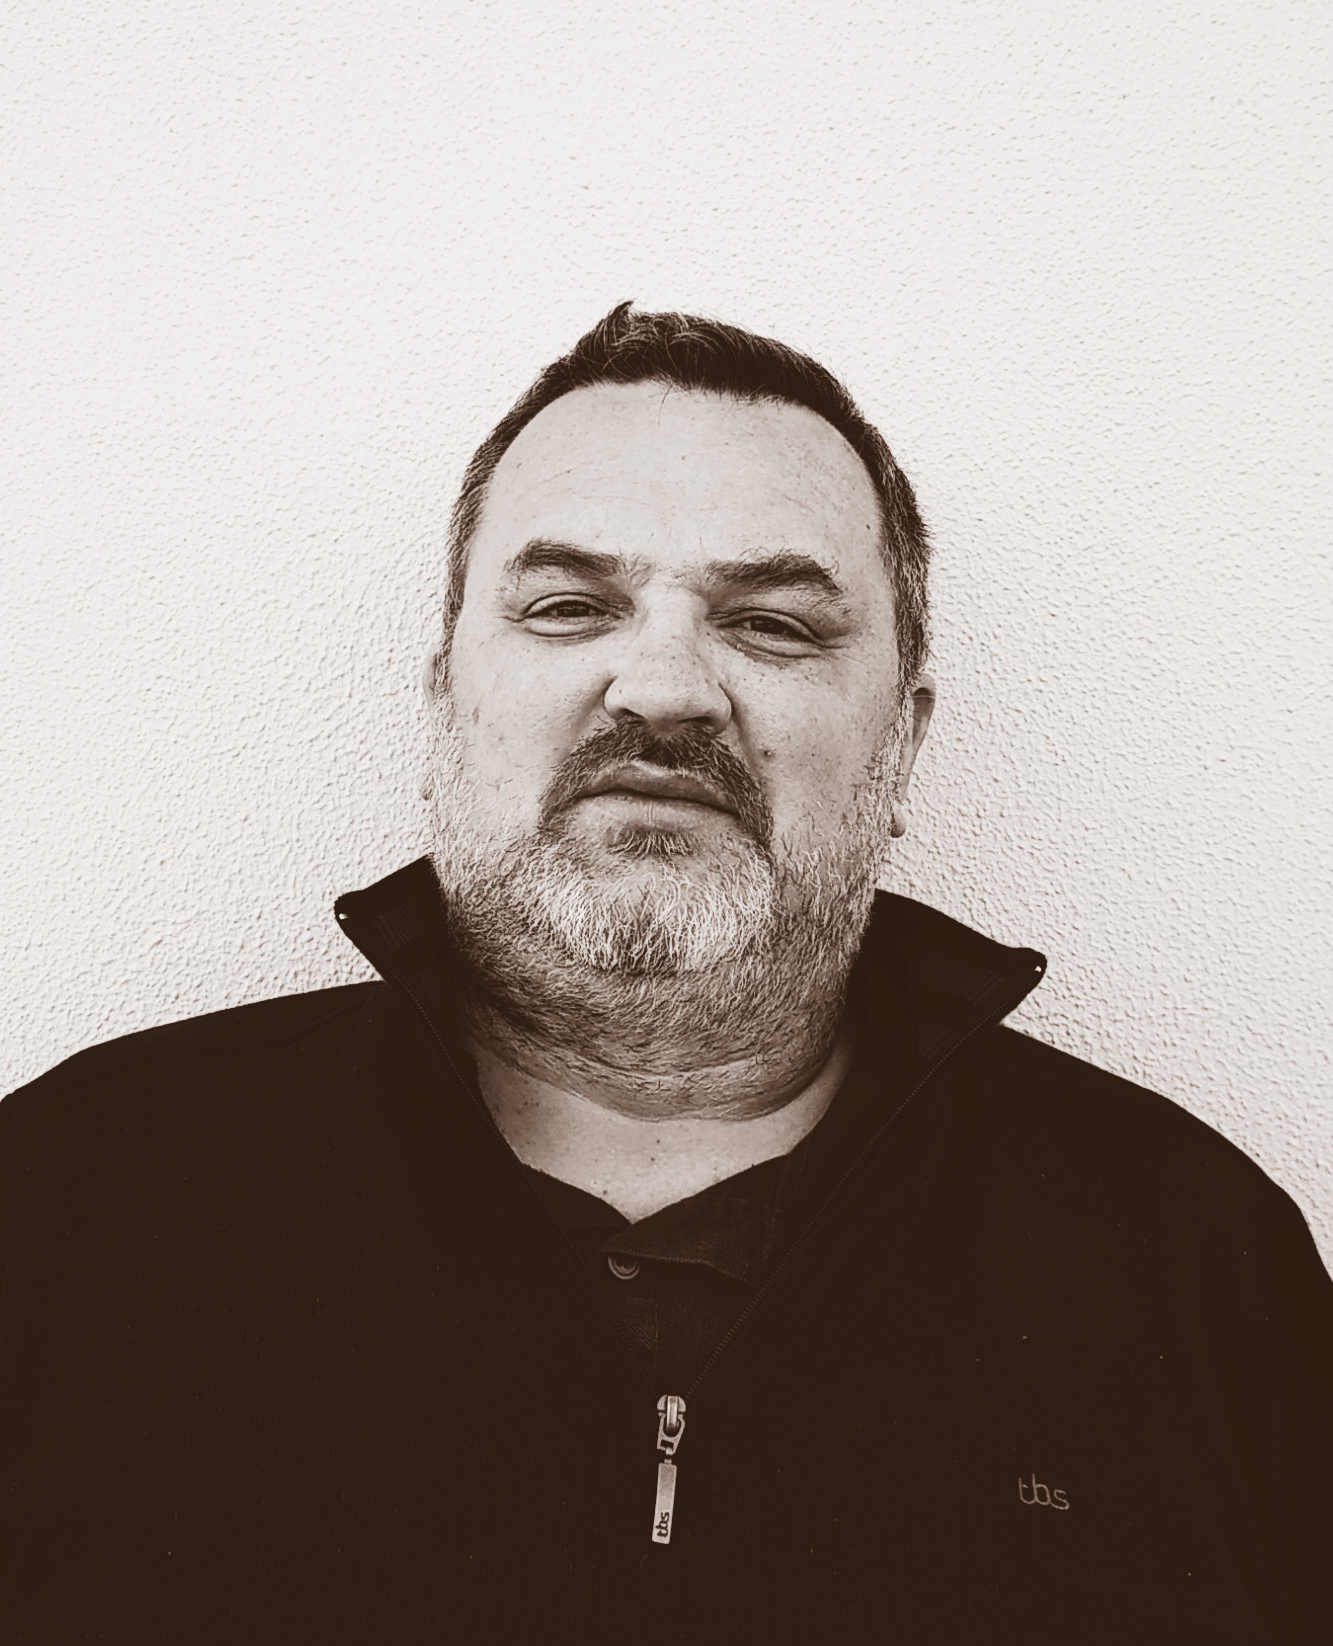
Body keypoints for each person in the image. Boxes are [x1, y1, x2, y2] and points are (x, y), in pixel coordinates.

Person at [3, 304, 1330, 1644]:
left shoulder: (1201, 1270)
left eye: (773, 623)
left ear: (904, 740)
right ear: (445, 696)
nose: (663, 688)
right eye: (571, 606)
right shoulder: (69, 1199)